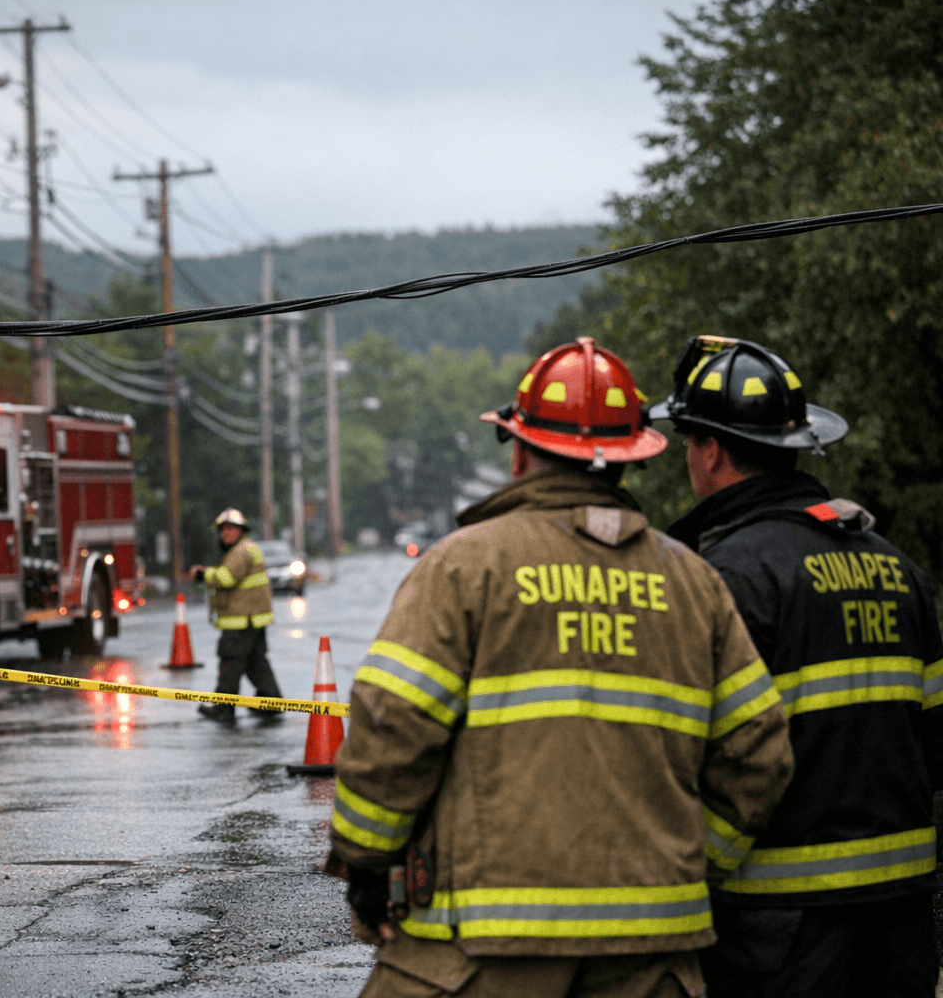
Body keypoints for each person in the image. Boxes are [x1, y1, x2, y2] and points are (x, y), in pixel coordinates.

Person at [331, 337, 794, 998]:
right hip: (653, 954)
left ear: (520, 452)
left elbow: (392, 720)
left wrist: (366, 862)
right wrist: (694, 864)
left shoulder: (464, 567)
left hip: (485, 949)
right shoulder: (695, 584)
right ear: (631, 459)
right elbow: (760, 754)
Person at [651, 335, 943, 998]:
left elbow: (687, 759)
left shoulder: (724, 578)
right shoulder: (899, 570)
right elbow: (936, 744)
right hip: (901, 927)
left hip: (776, 935)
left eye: (689, 444)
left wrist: (694, 873)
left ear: (711, 451)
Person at [188, 508, 281, 724]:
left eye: (230, 529)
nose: (225, 533)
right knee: (256, 663)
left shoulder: (241, 552)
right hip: (252, 619)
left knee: (230, 661)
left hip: (241, 621)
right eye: (223, 530)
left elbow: (226, 578)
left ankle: (223, 708)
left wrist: (202, 574)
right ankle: (271, 701)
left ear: (241, 530)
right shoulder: (246, 548)